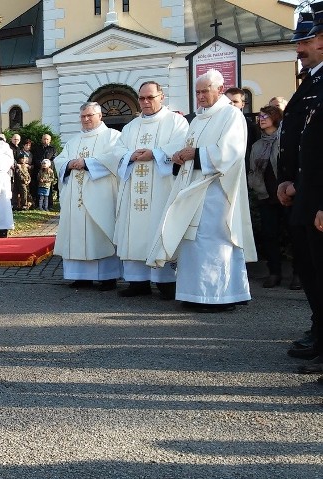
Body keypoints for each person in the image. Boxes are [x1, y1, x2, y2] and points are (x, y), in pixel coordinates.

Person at [147, 69, 256, 313]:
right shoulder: (198, 119)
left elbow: (230, 152)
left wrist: (195, 155)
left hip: (216, 193)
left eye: (205, 91)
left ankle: (218, 297)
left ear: (219, 88)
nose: (201, 96)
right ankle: (193, 293)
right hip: (192, 189)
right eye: (197, 92)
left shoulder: (231, 116)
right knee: (192, 243)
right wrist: (179, 156)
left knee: (213, 243)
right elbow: (187, 147)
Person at [279, 2, 323, 371]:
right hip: (305, 192)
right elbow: (298, 135)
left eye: (305, 40)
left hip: (318, 195)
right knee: (312, 270)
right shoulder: (313, 80)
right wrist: (287, 179)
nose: (299, 48)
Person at [114, 81, 189, 299]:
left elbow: (182, 143)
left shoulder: (176, 121)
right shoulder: (130, 127)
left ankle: (166, 282)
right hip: (133, 188)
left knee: (161, 230)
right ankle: (138, 282)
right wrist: (130, 156)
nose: (146, 102)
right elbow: (117, 150)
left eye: (150, 97)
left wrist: (155, 153)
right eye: (142, 98)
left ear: (161, 97)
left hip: (162, 187)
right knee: (134, 233)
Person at [53, 102, 125, 291]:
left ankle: (107, 277)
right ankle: (80, 276)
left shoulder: (113, 137)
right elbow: (59, 160)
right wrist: (68, 164)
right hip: (74, 199)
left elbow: (116, 158)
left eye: (89, 116)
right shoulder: (73, 141)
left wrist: (87, 163)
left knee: (100, 232)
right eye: (83, 117)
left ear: (100, 116)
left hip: (101, 195)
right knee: (75, 233)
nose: (85, 120)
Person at [247, 106, 284, 289]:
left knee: (294, 235)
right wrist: (254, 185)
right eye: (260, 116)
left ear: (276, 118)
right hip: (265, 195)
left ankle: (298, 275)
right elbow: (253, 170)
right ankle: (274, 272)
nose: (261, 119)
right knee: (269, 235)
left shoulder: (284, 139)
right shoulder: (257, 145)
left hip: (286, 195)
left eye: (266, 116)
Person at [224, 86, 261, 170]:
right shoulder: (217, 123)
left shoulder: (251, 127)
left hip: (243, 168)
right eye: (229, 102)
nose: (232, 104)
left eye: (235, 101)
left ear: (242, 104)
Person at [35, 133, 58, 209]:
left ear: (50, 140)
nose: (45, 140)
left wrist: (47, 164)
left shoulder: (53, 149)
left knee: (49, 188)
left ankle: (49, 205)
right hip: (39, 170)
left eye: (47, 139)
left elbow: (54, 159)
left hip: (49, 171)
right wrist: (40, 164)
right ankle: (39, 205)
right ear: (42, 139)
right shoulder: (37, 148)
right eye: (44, 139)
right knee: (39, 188)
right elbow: (35, 158)